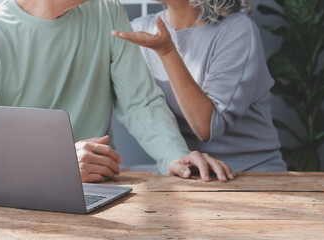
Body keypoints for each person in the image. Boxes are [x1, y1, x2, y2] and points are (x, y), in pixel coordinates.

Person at [0, 0, 235, 182]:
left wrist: (175, 154)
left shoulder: (107, 10)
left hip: (99, 186)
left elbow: (141, 103)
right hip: (20, 191)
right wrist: (57, 163)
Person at [112, 0, 287, 171]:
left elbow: (208, 127)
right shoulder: (140, 29)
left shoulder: (238, 29)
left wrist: (167, 52)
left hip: (249, 174)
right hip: (187, 174)